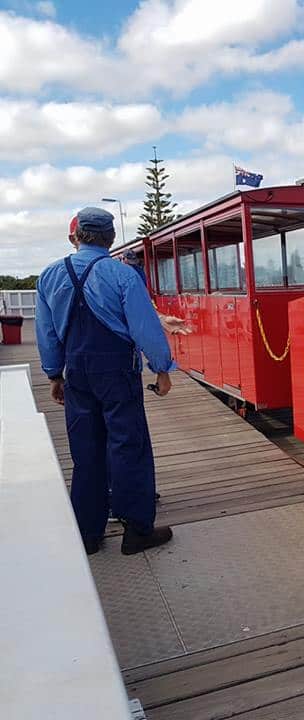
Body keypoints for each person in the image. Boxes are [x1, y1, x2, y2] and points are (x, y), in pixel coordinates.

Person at [36, 207, 174, 556]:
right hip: (117, 373)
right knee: (128, 446)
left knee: (86, 451)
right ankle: (136, 530)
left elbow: (47, 332)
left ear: (77, 236)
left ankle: (87, 534)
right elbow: (146, 328)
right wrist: (161, 369)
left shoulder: (50, 276)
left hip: (76, 372)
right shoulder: (122, 275)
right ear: (111, 238)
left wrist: (54, 375)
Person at [120, 249, 192, 336]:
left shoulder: (135, 272)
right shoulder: (125, 272)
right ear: (123, 259)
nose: (131, 265)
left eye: (132, 262)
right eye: (129, 262)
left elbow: (140, 295)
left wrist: (160, 318)